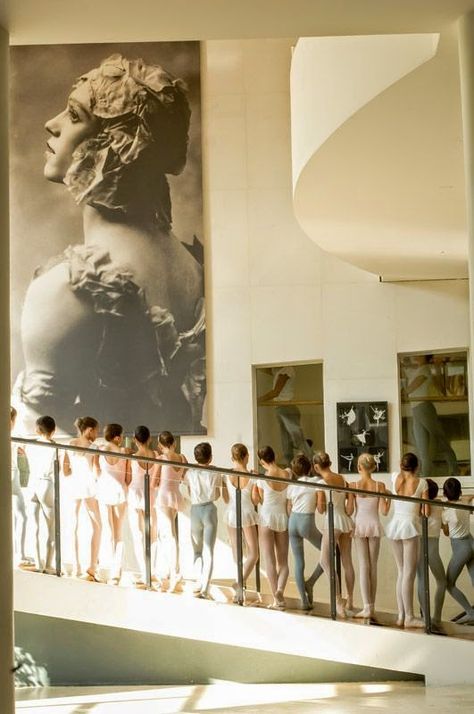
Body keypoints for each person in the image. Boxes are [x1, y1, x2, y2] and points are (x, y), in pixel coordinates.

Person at [14, 53, 205, 435]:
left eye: (73, 116)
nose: (51, 125)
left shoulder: (68, 289)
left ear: (111, 145)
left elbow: (40, 443)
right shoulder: (193, 268)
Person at [385, 452, 428, 628]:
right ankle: (409, 616)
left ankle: (401, 615)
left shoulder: (394, 477)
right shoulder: (422, 483)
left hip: (395, 525)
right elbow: (426, 511)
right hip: (409, 526)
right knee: (409, 573)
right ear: (417, 466)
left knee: (402, 572)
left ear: (401, 465)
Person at [314, 451, 355, 618]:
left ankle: (338, 601)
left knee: (324, 560)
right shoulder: (342, 479)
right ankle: (350, 599)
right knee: (347, 561)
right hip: (345, 520)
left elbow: (321, 509)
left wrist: (319, 501)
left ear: (316, 467)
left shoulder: (321, 482)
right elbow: (348, 505)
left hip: (332, 522)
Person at [404, 354, 457, 477]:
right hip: (416, 410)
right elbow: (407, 377)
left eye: (420, 355)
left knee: (440, 438)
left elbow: (410, 389)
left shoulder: (425, 370)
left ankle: (454, 469)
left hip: (424, 408)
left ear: (426, 358)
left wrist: (404, 392)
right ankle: (425, 474)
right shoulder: (417, 370)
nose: (416, 356)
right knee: (421, 446)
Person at [63, 416, 102, 580]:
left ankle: (76, 566)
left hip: (73, 486)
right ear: (89, 429)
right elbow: (97, 471)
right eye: (96, 430)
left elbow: (65, 471)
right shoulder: (93, 447)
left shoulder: (70, 445)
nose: (97, 433)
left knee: (73, 526)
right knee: (97, 526)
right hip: (88, 488)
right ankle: (91, 566)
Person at [352, 453, 390, 619]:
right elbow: (384, 511)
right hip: (374, 525)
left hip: (360, 525)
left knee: (363, 566)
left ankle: (366, 606)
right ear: (374, 467)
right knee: (372, 566)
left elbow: (349, 511)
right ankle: (371, 607)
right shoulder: (379, 485)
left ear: (359, 467)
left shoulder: (354, 485)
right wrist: (390, 499)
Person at [185, 442, 225, 599]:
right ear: (210, 458)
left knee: (197, 550)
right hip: (209, 510)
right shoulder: (215, 473)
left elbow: (188, 491)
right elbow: (217, 496)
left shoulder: (190, 472)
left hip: (195, 510)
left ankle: (198, 582)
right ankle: (205, 589)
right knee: (209, 551)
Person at [253, 445, 291, 610]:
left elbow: (256, 500)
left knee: (269, 560)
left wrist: (255, 480)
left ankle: (276, 598)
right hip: (282, 518)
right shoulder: (287, 473)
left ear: (262, 461)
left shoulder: (261, 479)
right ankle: (280, 592)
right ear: (274, 456)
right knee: (283, 562)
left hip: (267, 518)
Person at [287, 454, 324, 610]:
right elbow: (320, 507)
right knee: (332, 551)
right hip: (306, 522)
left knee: (298, 562)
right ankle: (311, 582)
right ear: (310, 468)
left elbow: (289, 506)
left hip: (292, 522)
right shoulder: (316, 482)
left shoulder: (291, 485)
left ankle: (304, 601)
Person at [96, 423, 130, 585]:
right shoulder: (123, 452)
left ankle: (108, 569)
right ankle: (117, 572)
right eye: (122, 436)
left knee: (108, 532)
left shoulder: (100, 450)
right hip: (119, 492)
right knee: (118, 533)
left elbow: (96, 471)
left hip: (104, 490)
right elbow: (128, 478)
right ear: (117, 437)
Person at [257, 366, 312, 465]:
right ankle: (290, 468)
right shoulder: (279, 371)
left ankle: (313, 464)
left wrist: (257, 399)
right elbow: (266, 369)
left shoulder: (287, 369)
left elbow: (276, 392)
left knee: (298, 439)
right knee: (286, 443)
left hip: (287, 408)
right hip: (280, 409)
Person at [225, 443, 259, 600]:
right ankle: (240, 583)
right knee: (254, 553)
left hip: (231, 512)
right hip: (247, 513)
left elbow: (226, 499)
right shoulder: (252, 476)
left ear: (232, 457)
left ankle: (239, 587)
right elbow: (255, 500)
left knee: (236, 552)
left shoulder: (226, 475)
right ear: (246, 457)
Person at [156, 430, 187, 592]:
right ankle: (169, 570)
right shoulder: (182, 458)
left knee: (168, 534)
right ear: (173, 443)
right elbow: (184, 477)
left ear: (160, 445)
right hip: (176, 495)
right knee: (169, 533)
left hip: (163, 497)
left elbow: (154, 480)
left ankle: (174, 571)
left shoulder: (161, 459)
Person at [128, 425, 160, 587]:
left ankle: (143, 571)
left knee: (138, 534)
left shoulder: (133, 457)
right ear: (149, 438)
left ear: (135, 439)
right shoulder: (156, 456)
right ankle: (152, 571)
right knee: (152, 534)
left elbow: (127, 479)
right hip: (151, 495)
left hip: (135, 494)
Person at [26, 416, 57, 573]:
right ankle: (48, 565)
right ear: (54, 430)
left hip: (33, 483)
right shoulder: (54, 447)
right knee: (51, 527)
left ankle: (38, 562)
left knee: (35, 526)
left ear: (37, 429)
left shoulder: (30, 446)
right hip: (46, 483)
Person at [442, 477, 474, 625]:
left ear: (445, 494)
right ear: (460, 491)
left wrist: (443, 524)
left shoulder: (447, 512)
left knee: (449, 583)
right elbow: (470, 496)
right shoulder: (465, 502)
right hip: (471, 542)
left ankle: (470, 612)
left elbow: (447, 533)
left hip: (461, 548)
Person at [416, 478, 446, 627]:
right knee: (442, 582)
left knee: (421, 580)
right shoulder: (440, 505)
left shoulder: (417, 508)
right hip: (433, 548)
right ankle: (437, 618)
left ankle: (425, 618)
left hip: (419, 545)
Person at [10, 406, 30, 568]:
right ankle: (20, 554)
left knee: (20, 515)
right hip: (11, 475)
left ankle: (19, 553)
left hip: (12, 474)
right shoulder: (14, 437)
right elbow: (23, 448)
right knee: (21, 516)